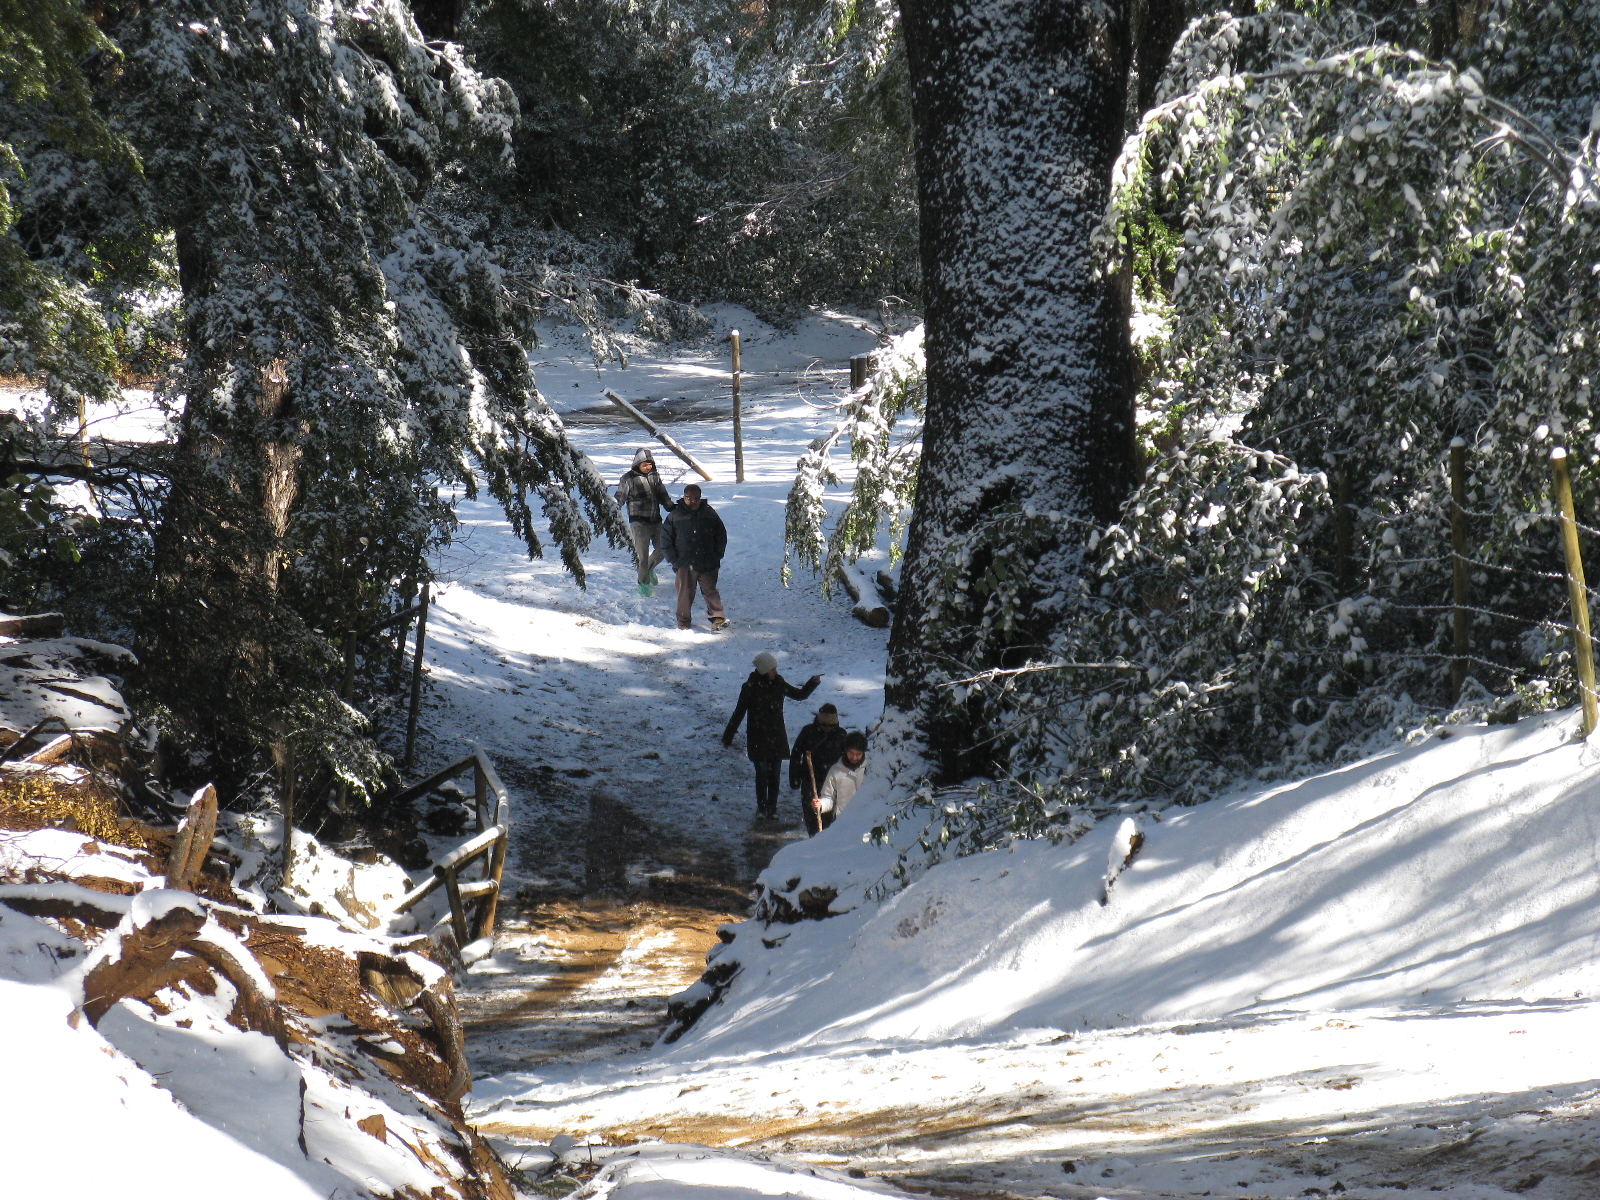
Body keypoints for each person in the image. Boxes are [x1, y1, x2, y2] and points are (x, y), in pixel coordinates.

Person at [723, 651, 821, 819]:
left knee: (774, 775)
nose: (775, 672)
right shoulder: (750, 687)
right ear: (763, 670)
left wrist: (812, 683)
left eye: (775, 669)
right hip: (758, 738)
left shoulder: (778, 683)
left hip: (776, 737)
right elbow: (739, 712)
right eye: (772, 669)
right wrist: (728, 736)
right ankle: (762, 808)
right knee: (761, 775)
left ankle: (772, 808)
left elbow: (799, 695)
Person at [663, 482, 729, 631]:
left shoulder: (709, 513)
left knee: (710, 591)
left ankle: (717, 617)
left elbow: (721, 534)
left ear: (700, 498)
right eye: (689, 497)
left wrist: (717, 554)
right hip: (685, 563)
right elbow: (666, 539)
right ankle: (683, 620)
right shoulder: (675, 515)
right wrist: (674, 560)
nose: (692, 501)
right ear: (684, 497)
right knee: (684, 593)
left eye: (696, 498)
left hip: (708, 562)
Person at [615, 448, 673, 595]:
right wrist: (613, 509)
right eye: (645, 465)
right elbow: (620, 497)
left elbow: (663, 495)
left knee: (664, 549)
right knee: (642, 556)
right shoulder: (628, 479)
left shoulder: (655, 477)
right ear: (637, 464)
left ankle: (648, 570)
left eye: (650, 464)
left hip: (656, 521)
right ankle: (643, 583)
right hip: (639, 522)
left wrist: (670, 506)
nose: (648, 467)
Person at [790, 702, 847, 835]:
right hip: (810, 781)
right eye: (824, 725)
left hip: (832, 782)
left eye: (832, 725)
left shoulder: (841, 735)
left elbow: (847, 759)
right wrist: (795, 777)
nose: (828, 728)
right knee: (812, 816)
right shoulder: (808, 732)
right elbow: (796, 755)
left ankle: (824, 842)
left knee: (829, 816)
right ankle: (814, 839)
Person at [815, 731, 868, 823]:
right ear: (846, 750)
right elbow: (829, 797)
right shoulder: (835, 771)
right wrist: (821, 804)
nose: (854, 758)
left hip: (866, 820)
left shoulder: (871, 769)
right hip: (843, 822)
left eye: (858, 754)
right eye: (851, 753)